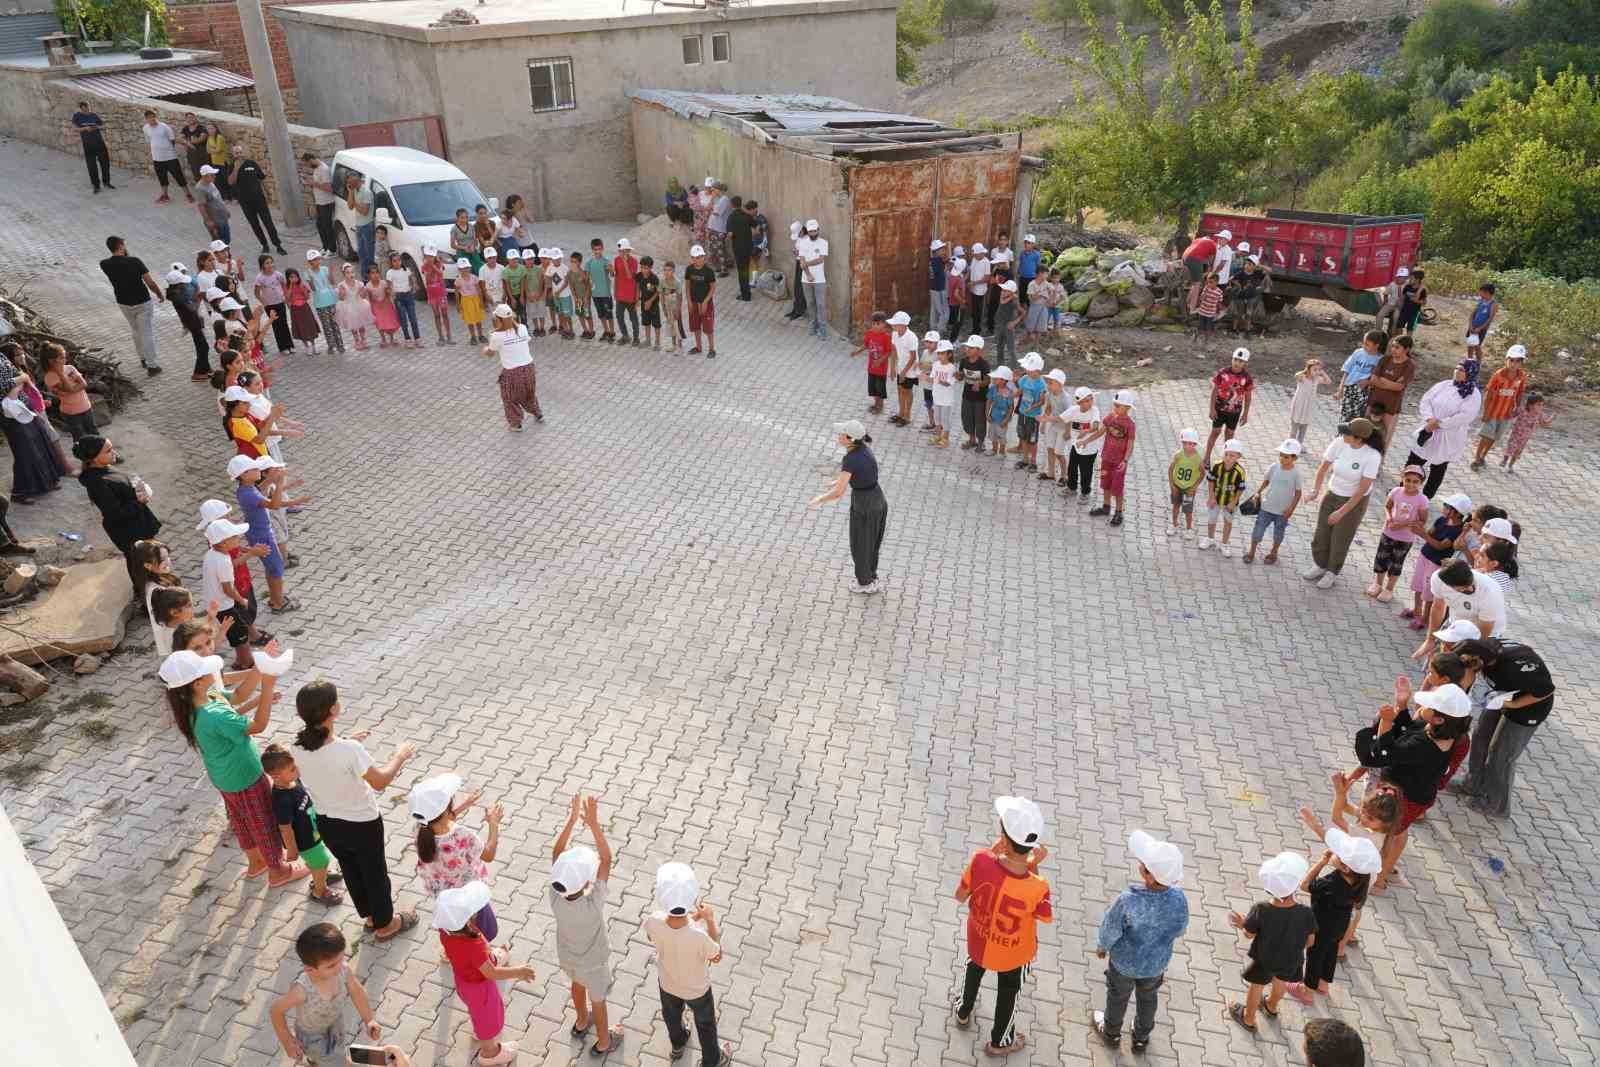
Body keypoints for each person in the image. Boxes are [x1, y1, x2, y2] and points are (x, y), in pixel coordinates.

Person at [160, 648, 307, 885]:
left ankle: (256, 862)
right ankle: (278, 870)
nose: (212, 672)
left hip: (224, 777)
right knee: (263, 823)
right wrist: (267, 686)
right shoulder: (212, 714)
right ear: (196, 684)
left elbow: (238, 696)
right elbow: (258, 725)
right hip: (244, 777)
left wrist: (261, 666)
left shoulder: (200, 703)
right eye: (205, 671)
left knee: (241, 820)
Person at [292, 679, 420, 942]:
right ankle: (386, 924)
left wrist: (348, 742)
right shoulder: (349, 750)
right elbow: (380, 781)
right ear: (332, 709)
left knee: (351, 870)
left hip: (327, 823)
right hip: (362, 823)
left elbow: (326, 758)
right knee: (374, 873)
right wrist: (400, 756)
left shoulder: (296, 747)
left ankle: (370, 917)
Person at [1353, 675, 1473, 889]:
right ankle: (1385, 870)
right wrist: (1401, 706)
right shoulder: (1450, 735)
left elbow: (1382, 754)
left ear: (1439, 719)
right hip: (1417, 795)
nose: (1423, 705)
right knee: (1399, 831)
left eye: (1428, 705)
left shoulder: (1422, 746)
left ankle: (1379, 877)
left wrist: (1387, 721)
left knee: (1388, 836)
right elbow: (1410, 728)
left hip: (1405, 797)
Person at [954, 795, 1052, 1056]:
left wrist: (993, 852)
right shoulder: (1039, 886)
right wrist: (1034, 866)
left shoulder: (980, 860)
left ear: (1004, 840)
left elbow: (961, 895)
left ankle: (963, 1011)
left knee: (973, 968)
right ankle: (1000, 1041)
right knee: (1009, 992)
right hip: (1014, 954)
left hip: (979, 941)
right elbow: (1041, 914)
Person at [1091, 830, 1188, 1053]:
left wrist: (1102, 946)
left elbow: (1111, 927)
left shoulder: (1128, 900)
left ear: (1148, 874)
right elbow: (1180, 929)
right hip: (1155, 965)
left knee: (1117, 996)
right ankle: (1142, 1036)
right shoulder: (1179, 898)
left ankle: (1112, 1032)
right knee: (1148, 998)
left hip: (1124, 964)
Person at [1447, 638, 1555, 818]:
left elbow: (1546, 690)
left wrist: (1514, 705)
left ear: (1480, 660)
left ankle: (1498, 805)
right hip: (1502, 695)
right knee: (1481, 735)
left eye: (1468, 665)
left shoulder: (1515, 667)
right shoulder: (1486, 650)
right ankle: (1474, 784)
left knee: (1502, 755)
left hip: (1529, 708)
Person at [549, 794, 621, 1056]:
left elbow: (557, 854)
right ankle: (604, 1042)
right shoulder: (593, 904)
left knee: (577, 986)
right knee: (598, 999)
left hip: (569, 959)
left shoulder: (555, 897)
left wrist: (570, 820)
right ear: (586, 883)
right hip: (595, 963)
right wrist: (593, 824)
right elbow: (607, 859)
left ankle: (581, 1022)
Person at [436, 881, 536, 1065]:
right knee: (487, 1019)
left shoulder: (445, 931)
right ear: (469, 917)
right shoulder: (474, 945)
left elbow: (471, 959)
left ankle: (479, 1027)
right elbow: (491, 973)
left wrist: (487, 957)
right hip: (480, 987)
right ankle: (490, 1052)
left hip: (463, 980)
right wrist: (519, 971)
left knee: (477, 1011)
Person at [645, 862, 730, 1065]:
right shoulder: (698, 936)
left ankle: (678, 1043)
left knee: (671, 1015)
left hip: (668, 983)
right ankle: (712, 1060)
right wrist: (709, 919)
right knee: (705, 1024)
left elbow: (669, 931)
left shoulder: (653, 920)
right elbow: (716, 956)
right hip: (697, 989)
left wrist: (695, 918)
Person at [1226, 851, 1315, 1033]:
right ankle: (1271, 1006)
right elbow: (1310, 941)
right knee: (1281, 982)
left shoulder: (1261, 909)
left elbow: (1249, 935)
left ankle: (1248, 1018)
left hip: (1265, 958)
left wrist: (1244, 924)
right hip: (1291, 958)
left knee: (1256, 985)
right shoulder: (1306, 912)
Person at [1286, 830, 1379, 1003]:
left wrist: (1322, 861)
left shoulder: (1330, 884)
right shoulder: (1361, 880)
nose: (1334, 852)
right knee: (1330, 951)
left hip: (1321, 926)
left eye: (1338, 854)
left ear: (1345, 867)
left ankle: (1307, 989)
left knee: (1315, 955)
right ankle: (1323, 983)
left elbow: (1305, 885)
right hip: (1339, 926)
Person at [269, 924, 382, 1065]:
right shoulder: (301, 990)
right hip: (313, 1039)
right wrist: (287, 1041)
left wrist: (369, 1019)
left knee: (338, 1051)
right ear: (309, 969)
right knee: (341, 1063)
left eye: (342, 958)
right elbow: (275, 1010)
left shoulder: (343, 970)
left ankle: (319, 1061)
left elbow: (357, 992)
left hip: (335, 1024)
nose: (340, 966)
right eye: (331, 965)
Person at [411, 773, 502, 941]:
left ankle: (451, 950)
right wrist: (494, 824)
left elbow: (439, 821)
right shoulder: (461, 835)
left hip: (442, 892)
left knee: (453, 923)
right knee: (481, 928)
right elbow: (488, 855)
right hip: (466, 891)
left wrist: (466, 804)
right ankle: (480, 952)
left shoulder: (419, 829)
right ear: (446, 808)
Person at [808, 419, 888, 594]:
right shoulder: (864, 451)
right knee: (871, 542)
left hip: (865, 504)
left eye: (841, 434)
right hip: (877, 498)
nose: (838, 436)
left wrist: (820, 499)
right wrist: (837, 482)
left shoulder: (851, 458)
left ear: (850, 439)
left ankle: (865, 583)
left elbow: (838, 493)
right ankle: (870, 576)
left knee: (860, 543)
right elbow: (856, 474)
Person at [1302, 417, 1382, 590]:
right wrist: (1315, 491)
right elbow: (1323, 467)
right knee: (1321, 533)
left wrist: (1342, 512)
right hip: (1333, 493)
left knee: (1340, 538)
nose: (1343, 434)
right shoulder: (1339, 442)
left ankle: (1332, 571)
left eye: (1347, 433)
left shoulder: (1372, 456)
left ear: (1358, 438)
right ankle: (1320, 565)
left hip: (1354, 500)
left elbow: (1362, 489)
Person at [264, 745, 345, 906]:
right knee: (321, 860)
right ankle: (319, 891)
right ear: (276, 776)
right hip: (304, 840)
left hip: (313, 830)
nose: (297, 769)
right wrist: (292, 849)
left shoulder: (292, 781)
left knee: (319, 860)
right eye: (293, 769)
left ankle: (320, 875)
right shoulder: (282, 800)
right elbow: (285, 828)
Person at [1405, 359, 1483, 498]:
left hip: (1448, 435)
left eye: (1461, 370)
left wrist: (1440, 423)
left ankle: (1425, 498)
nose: (1457, 372)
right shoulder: (1444, 385)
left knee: (1438, 467)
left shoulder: (1473, 394)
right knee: (1414, 461)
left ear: (1470, 374)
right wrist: (1430, 419)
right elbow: (1426, 400)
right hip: (1428, 429)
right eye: (1456, 368)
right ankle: (1403, 490)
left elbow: (1465, 415)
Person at [75, 435, 160, 554]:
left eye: (112, 448)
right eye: (108, 451)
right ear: (94, 458)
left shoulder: (105, 467)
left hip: (137, 524)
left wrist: (134, 488)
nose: (114, 453)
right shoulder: (98, 483)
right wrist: (140, 501)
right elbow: (115, 514)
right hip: (131, 533)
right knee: (145, 565)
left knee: (155, 560)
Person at [1414, 559, 1507, 662]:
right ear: (1449, 585)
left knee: (1459, 668)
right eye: (1463, 589)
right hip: (1456, 625)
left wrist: (1463, 652)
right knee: (1437, 664)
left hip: (1485, 633)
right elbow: (1438, 607)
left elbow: (1485, 629)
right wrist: (1430, 640)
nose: (1470, 590)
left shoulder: (1490, 591)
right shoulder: (1438, 578)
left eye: (1471, 585)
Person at [99, 236, 166, 376]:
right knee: (146, 332)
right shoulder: (135, 261)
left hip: (123, 302)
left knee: (135, 330)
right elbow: (150, 282)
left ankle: (142, 358)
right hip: (142, 301)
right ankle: (152, 365)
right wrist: (159, 293)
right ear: (121, 246)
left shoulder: (104, 264)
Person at [1403, 491, 1469, 629]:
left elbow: (1440, 546)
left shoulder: (1457, 530)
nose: (1444, 507)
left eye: (1447, 506)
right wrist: (1420, 529)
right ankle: (1416, 611)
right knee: (1418, 584)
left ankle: (1425, 618)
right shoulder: (1441, 520)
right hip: (1424, 556)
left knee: (1429, 590)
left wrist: (1422, 534)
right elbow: (1430, 533)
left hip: (1436, 563)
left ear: (1456, 512)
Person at [1363, 464, 1429, 602]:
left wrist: (1402, 525)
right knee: (1381, 558)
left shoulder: (1422, 500)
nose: (1410, 484)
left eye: (1415, 481)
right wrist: (1388, 518)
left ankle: (1389, 589)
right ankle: (1378, 584)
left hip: (1405, 538)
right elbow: (1388, 506)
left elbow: (1422, 521)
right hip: (1388, 532)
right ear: (1402, 478)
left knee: (1396, 563)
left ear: (1421, 483)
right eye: (1408, 480)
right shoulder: (1396, 491)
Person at [1, 377, 64, 503]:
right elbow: (6, 386)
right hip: (12, 412)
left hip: (24, 405)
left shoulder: (3, 358)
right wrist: (21, 379)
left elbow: (22, 384)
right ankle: (20, 492)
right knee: (24, 452)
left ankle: (45, 482)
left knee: (39, 445)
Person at [480, 304, 542, 431]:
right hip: (529, 368)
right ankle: (537, 413)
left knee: (509, 397)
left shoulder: (496, 336)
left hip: (512, 372)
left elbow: (490, 353)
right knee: (528, 393)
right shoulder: (523, 328)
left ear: (498, 318)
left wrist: (485, 349)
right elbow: (526, 340)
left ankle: (516, 423)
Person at [1242, 439, 1302, 564]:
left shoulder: (1296, 474)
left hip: (1283, 511)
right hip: (1266, 507)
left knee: (1278, 533)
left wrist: (1291, 509)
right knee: (1258, 529)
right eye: (1281, 455)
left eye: (1286, 457)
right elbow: (1266, 481)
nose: (1282, 459)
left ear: (1294, 458)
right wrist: (1258, 492)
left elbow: (1298, 493)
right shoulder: (1274, 467)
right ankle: (1251, 552)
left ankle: (1274, 552)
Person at [1471, 344, 1528, 471]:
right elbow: (1489, 394)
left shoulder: (1522, 376)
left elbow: (1519, 393)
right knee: (1486, 435)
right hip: (1493, 412)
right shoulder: (1498, 375)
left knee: (1495, 436)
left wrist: (1517, 407)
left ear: (1521, 363)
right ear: (1506, 360)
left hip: (1507, 414)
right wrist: (1486, 412)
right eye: (1511, 360)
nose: (1514, 364)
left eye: (1518, 361)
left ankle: (1483, 456)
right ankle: (1476, 458)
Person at [227, 145, 286, 255]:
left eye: (240, 152)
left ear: (243, 152)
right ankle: (264, 245)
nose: (239, 155)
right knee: (255, 224)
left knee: (268, 223)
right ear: (233, 155)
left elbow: (262, 178)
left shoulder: (252, 163)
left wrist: (268, 193)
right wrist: (236, 168)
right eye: (236, 153)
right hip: (245, 202)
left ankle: (277, 245)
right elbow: (231, 182)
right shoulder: (231, 166)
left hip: (259, 199)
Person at [1093, 390, 1137, 525]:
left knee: (1117, 488)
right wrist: (1086, 440)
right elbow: (1100, 432)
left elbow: (1130, 444)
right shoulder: (1110, 418)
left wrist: (1125, 460)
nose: (1115, 407)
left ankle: (1119, 513)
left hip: (1119, 463)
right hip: (1106, 458)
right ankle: (1106, 507)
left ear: (1128, 408)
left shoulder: (1130, 425)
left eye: (1119, 406)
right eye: (1115, 404)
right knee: (1105, 483)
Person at [1204, 347, 1253, 466]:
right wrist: (1211, 409)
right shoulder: (1223, 373)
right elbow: (1214, 390)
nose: (1237, 363)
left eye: (1241, 361)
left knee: (1229, 435)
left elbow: (1248, 396)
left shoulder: (1247, 378)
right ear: (1232, 359)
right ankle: (1206, 457)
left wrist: (1245, 414)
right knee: (1215, 431)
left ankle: (1226, 459)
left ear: (1245, 363)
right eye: (1236, 359)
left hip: (1235, 411)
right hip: (1219, 407)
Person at [1365, 334, 1417, 445]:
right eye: (1392, 346)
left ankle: (1380, 460)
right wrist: (1390, 383)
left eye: (1397, 347)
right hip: (1373, 400)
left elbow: (1399, 387)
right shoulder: (1385, 359)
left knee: (1384, 435)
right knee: (1366, 430)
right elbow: (1373, 379)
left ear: (1407, 349)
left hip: (1391, 405)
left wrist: (1383, 380)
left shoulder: (1409, 365)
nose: (1393, 349)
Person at [41, 342, 98, 441]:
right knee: (81, 438)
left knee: (94, 432)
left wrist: (73, 389)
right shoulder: (49, 377)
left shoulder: (70, 368)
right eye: (62, 358)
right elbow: (69, 389)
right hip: (71, 413)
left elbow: (84, 384)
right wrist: (61, 374)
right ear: (51, 361)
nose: (65, 359)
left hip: (86, 406)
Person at [142, 110, 192, 204]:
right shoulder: (145, 128)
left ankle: (188, 194)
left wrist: (169, 150)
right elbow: (149, 141)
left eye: (153, 117)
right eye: (149, 118)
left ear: (155, 116)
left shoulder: (164, 127)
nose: (152, 119)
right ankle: (165, 195)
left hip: (170, 157)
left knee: (179, 176)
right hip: (157, 158)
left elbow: (172, 139)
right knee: (162, 177)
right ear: (146, 119)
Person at [1166, 427, 1204, 540]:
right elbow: (1170, 469)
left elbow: (1202, 474)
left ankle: (1188, 529)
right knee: (1176, 506)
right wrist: (1172, 485)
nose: (1188, 446)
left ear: (1195, 444)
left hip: (1189, 488)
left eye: (1191, 444)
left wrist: (1195, 486)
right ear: (1182, 443)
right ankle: (1174, 524)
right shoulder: (1178, 455)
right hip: (1177, 485)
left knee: (1188, 510)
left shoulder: (1198, 458)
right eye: (1186, 443)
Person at [252, 254, 294, 355]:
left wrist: (286, 298)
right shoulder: (260, 278)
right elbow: (256, 293)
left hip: (280, 302)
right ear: (262, 265)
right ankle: (282, 347)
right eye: (267, 263)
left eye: (271, 262)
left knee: (284, 324)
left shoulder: (278, 274)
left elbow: (284, 286)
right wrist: (264, 303)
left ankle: (290, 345)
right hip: (270, 305)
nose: (270, 265)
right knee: (276, 325)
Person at [1012, 353, 1046, 471]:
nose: (1026, 370)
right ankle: (1025, 460)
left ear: (1037, 370)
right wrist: (1011, 396)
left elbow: (1042, 402)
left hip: (1033, 416)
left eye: (1028, 369)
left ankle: (1033, 462)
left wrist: (1031, 408)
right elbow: (1020, 391)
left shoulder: (1041, 384)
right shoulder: (1025, 378)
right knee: (1023, 437)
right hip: (1023, 413)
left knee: (1032, 440)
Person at [70, 101, 112, 193]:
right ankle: (96, 185)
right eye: (84, 108)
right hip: (88, 144)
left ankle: (106, 182)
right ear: (81, 108)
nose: (87, 110)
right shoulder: (77, 116)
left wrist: (96, 127)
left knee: (105, 163)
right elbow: (74, 128)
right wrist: (84, 129)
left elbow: (102, 125)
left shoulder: (94, 115)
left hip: (99, 142)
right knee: (91, 165)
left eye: (87, 108)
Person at [797, 220, 829, 339]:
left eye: (815, 231)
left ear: (818, 230)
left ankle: (823, 329)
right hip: (806, 279)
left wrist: (807, 264)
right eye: (811, 231)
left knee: (821, 304)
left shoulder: (824, 243)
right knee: (810, 303)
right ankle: (813, 325)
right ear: (808, 232)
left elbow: (820, 259)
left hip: (820, 279)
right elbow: (801, 262)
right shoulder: (803, 243)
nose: (813, 233)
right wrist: (808, 274)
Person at [957, 336, 990, 451]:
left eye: (971, 347)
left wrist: (979, 384)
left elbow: (987, 380)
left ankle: (981, 442)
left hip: (980, 398)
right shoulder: (964, 361)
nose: (968, 349)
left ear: (979, 350)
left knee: (980, 420)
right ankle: (972, 440)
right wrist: (958, 376)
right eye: (967, 347)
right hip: (967, 396)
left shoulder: (983, 364)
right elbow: (961, 376)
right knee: (967, 418)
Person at [684, 246, 717, 359]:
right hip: (693, 302)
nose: (698, 259)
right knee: (695, 326)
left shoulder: (709, 272)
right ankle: (698, 347)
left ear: (704, 257)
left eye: (700, 257)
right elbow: (687, 286)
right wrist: (688, 301)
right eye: (695, 257)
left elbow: (712, 288)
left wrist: (705, 302)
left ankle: (712, 349)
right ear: (692, 258)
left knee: (708, 328)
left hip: (705, 304)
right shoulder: (689, 269)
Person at [1289, 358, 1332, 445]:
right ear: (1308, 369)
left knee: (1304, 427)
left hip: (1308, 406)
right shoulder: (1303, 377)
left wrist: (1322, 373)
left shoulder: (1317, 379)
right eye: (1314, 369)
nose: (1317, 372)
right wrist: (1306, 370)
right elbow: (1296, 375)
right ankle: (1290, 443)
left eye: (1318, 370)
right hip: (1299, 404)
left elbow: (1328, 381)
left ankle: (1299, 445)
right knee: (1295, 426)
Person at [301, 152, 337, 251]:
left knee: (327, 226)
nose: (307, 166)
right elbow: (319, 183)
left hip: (326, 202)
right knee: (320, 225)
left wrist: (313, 183)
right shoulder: (316, 169)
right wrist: (310, 182)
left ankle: (332, 249)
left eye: (307, 164)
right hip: (319, 202)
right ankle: (325, 247)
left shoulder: (324, 169)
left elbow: (328, 188)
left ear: (311, 160)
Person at [344, 172, 376, 278]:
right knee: (361, 254)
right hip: (359, 225)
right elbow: (349, 206)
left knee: (369, 255)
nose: (348, 184)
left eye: (349, 182)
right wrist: (350, 193)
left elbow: (364, 211)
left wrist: (355, 203)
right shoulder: (354, 191)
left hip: (367, 226)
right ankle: (364, 278)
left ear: (355, 181)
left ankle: (372, 277)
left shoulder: (366, 192)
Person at [336, 262, 373, 350]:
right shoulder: (342, 285)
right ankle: (357, 341)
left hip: (359, 305)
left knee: (361, 324)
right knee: (353, 326)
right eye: (348, 272)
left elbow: (363, 296)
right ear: (343, 274)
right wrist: (342, 292)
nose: (351, 274)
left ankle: (364, 340)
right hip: (348, 307)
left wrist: (363, 291)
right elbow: (341, 298)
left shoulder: (359, 283)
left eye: (352, 272)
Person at [929, 341, 958, 449]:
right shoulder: (936, 365)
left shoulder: (951, 368)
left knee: (945, 419)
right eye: (939, 353)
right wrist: (924, 377)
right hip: (937, 397)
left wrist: (938, 380)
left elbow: (948, 383)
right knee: (937, 418)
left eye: (942, 353)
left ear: (949, 354)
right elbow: (932, 378)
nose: (939, 355)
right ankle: (938, 436)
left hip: (946, 399)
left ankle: (945, 439)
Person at [194, 165, 233, 247]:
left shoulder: (211, 183)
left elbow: (218, 198)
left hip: (222, 216)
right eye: (212, 175)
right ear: (205, 176)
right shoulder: (200, 188)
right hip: (215, 219)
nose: (214, 176)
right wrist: (208, 221)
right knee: (220, 243)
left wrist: (225, 210)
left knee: (227, 239)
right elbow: (201, 206)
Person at [612, 238, 641, 345]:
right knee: (619, 316)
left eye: (623, 251)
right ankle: (625, 336)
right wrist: (615, 291)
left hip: (631, 296)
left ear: (628, 251)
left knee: (633, 318)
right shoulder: (616, 260)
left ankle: (636, 338)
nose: (621, 253)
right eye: (620, 251)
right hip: (620, 295)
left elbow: (630, 276)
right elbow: (617, 275)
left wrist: (624, 261)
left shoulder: (634, 262)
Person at [729, 198, 757, 301]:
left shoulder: (731, 217)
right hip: (748, 248)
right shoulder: (747, 216)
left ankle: (745, 295)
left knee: (742, 272)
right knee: (746, 269)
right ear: (741, 204)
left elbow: (730, 234)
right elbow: (756, 226)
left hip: (738, 249)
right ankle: (747, 292)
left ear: (732, 205)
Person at [986, 365, 1017, 458]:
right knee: (993, 434)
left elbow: (1011, 407)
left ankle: (1002, 451)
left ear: (1004, 380)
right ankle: (994, 449)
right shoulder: (992, 388)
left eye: (996, 378)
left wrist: (1006, 420)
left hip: (1003, 418)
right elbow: (989, 402)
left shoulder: (1009, 392)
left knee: (1001, 435)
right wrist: (987, 414)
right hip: (993, 416)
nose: (993, 379)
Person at [656, 259, 680, 351]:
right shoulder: (662, 281)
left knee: (678, 327)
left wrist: (678, 309)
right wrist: (664, 308)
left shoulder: (677, 282)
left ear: (673, 271)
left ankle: (679, 346)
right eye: (665, 270)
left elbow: (679, 297)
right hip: (668, 307)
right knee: (671, 326)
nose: (667, 272)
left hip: (675, 307)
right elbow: (661, 295)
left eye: (669, 270)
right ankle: (674, 345)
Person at [928, 239, 949, 332]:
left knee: (934, 310)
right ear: (936, 251)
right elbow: (947, 260)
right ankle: (940, 329)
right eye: (941, 249)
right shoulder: (937, 260)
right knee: (942, 311)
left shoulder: (933, 260)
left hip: (933, 288)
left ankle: (933, 327)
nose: (943, 251)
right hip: (939, 289)